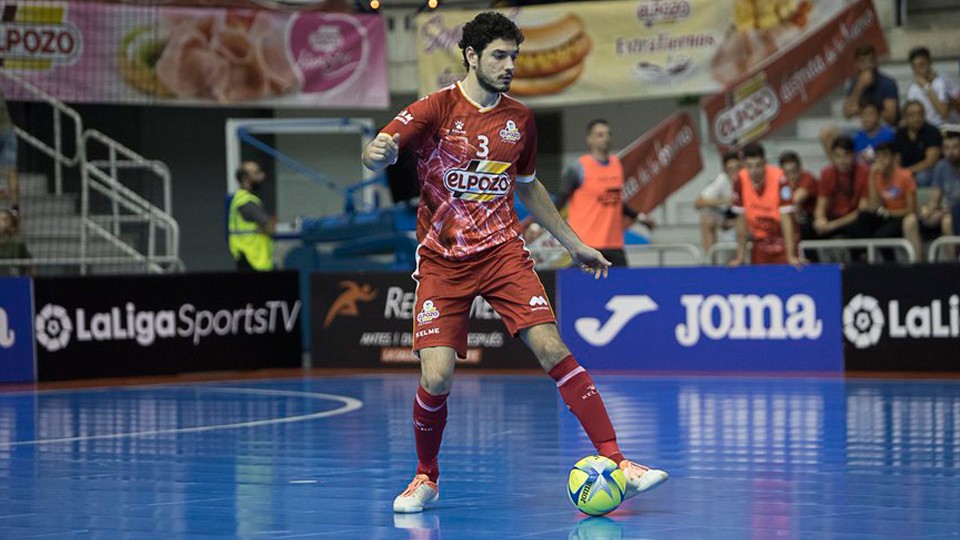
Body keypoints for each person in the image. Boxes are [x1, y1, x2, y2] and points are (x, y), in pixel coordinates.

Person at [361, 11, 667, 514]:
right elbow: (381, 151)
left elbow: (529, 188)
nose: (509, 66)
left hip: (503, 253)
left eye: (514, 57)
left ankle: (618, 461)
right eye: (499, 56)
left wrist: (574, 242)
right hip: (443, 260)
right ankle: (425, 477)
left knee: (551, 345)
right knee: (435, 378)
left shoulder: (519, 120)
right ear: (471, 56)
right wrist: (378, 154)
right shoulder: (433, 110)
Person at [554, 119, 654, 267]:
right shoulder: (578, 168)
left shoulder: (616, 164)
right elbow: (560, 200)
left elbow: (616, 200)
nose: (605, 138)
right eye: (600, 135)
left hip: (614, 244)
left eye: (608, 134)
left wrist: (639, 217)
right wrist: (539, 224)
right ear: (590, 139)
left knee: (623, 287)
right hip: (586, 245)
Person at [728, 143, 800, 266]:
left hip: (782, 239)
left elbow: (786, 218)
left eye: (758, 165)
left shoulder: (780, 178)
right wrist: (740, 257)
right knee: (759, 283)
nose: (754, 171)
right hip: (759, 243)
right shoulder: (739, 180)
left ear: (765, 163)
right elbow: (740, 220)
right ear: (744, 164)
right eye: (749, 166)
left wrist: (791, 255)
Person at [859, 142, 922, 261]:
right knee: (863, 217)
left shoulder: (905, 176)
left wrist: (888, 213)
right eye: (878, 156)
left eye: (885, 156)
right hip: (884, 214)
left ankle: (890, 264)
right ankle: (864, 256)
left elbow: (911, 209)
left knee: (881, 235)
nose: (881, 160)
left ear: (893, 158)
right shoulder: (876, 176)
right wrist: (872, 175)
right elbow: (874, 203)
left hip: (900, 216)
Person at [813, 136, 870, 262]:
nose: (842, 161)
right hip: (833, 218)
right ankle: (812, 267)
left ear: (854, 156)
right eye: (837, 156)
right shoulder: (827, 173)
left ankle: (861, 262)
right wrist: (820, 219)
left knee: (864, 219)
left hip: (852, 220)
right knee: (807, 228)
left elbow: (861, 210)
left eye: (846, 156)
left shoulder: (864, 173)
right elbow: (821, 203)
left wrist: (832, 225)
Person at [227, 161, 276, 271]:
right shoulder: (247, 202)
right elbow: (270, 226)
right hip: (254, 261)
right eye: (257, 173)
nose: (262, 176)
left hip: (249, 260)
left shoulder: (240, 199)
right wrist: (268, 227)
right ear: (245, 179)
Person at [820, 100, 895, 166]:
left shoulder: (890, 135)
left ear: (879, 115)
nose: (867, 118)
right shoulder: (856, 137)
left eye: (870, 114)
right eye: (863, 115)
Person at [842, 44, 899, 127]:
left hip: (883, 127)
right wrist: (860, 86)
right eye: (863, 61)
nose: (867, 64)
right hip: (862, 128)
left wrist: (865, 112)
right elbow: (847, 113)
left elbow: (891, 117)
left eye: (871, 60)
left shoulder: (888, 83)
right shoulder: (853, 83)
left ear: (876, 61)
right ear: (857, 64)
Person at [694, 151, 740, 254]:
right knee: (706, 219)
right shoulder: (722, 180)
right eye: (730, 169)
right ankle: (709, 259)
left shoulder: (748, 179)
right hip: (728, 219)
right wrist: (724, 200)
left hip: (746, 220)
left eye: (736, 168)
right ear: (725, 169)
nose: (733, 173)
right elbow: (698, 202)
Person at [905, 47, 960, 129]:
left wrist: (926, 87)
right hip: (925, 130)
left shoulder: (942, 82)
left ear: (930, 63)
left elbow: (943, 112)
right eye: (914, 67)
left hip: (947, 128)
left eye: (921, 65)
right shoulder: (913, 89)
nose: (918, 70)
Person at [925, 129, 960, 259]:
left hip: (954, 211)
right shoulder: (941, 167)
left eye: (955, 147)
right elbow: (935, 196)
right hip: (950, 213)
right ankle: (953, 264)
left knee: (948, 218)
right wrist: (929, 211)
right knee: (945, 220)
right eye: (946, 148)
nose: (950, 152)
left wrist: (945, 211)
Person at [893, 100, 942, 188]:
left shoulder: (932, 132)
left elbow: (930, 161)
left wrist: (908, 171)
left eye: (920, 113)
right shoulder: (900, 134)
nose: (917, 118)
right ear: (905, 118)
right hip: (905, 170)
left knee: (921, 178)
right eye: (912, 114)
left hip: (927, 170)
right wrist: (899, 172)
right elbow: (896, 158)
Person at [779, 151, 818, 243]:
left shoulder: (808, 177)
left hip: (810, 221)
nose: (791, 176)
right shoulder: (781, 182)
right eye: (786, 173)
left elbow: (796, 199)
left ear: (800, 168)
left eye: (794, 171)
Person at [0, 89, 19, 217]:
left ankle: (14, 209)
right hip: (8, 133)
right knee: (11, 171)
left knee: (10, 171)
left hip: (6, 134)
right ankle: (15, 209)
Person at [0, 208, 31, 276]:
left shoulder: (18, 242)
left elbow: (30, 263)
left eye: (6, 219)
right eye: (1, 219)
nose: (4, 222)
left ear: (11, 222)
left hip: (15, 280)